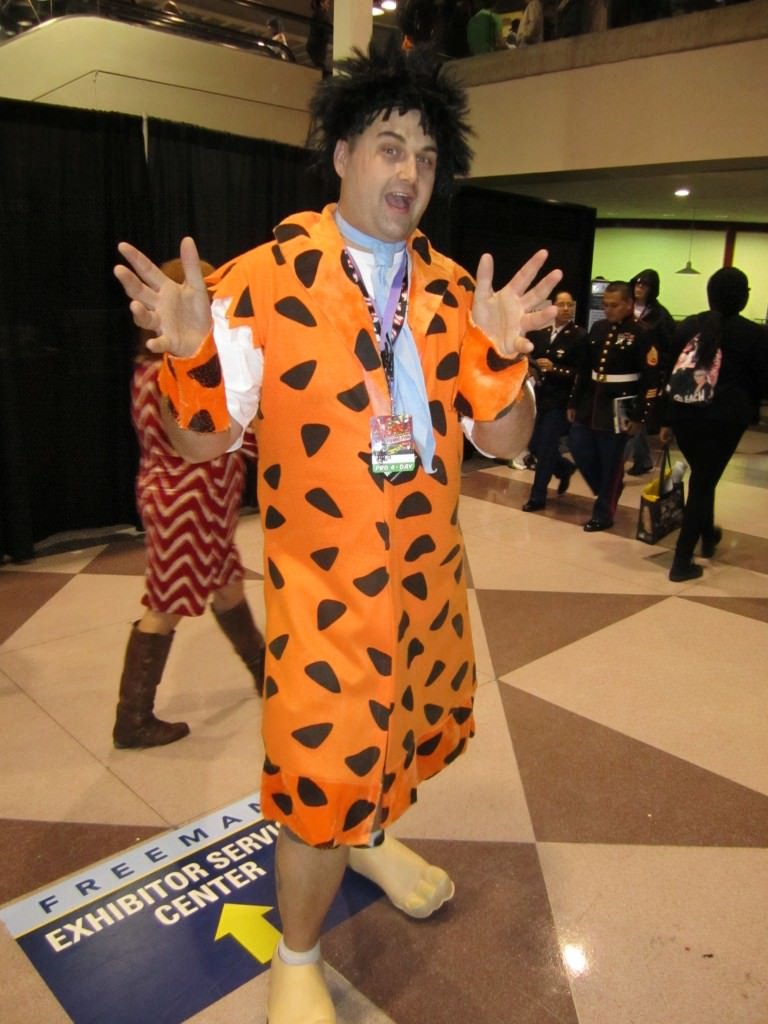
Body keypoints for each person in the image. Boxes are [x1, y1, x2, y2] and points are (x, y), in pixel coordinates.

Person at [114, 44, 562, 1024]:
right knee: (320, 774)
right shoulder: (263, 281)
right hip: (324, 603)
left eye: (429, 158)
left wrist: (506, 354)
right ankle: (300, 953)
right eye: (391, 147)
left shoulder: (450, 290)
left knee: (392, 746)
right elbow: (200, 440)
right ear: (345, 153)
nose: (410, 174)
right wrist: (192, 353)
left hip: (428, 589)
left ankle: (371, 834)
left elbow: (508, 437)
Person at [113, 258, 266, 750]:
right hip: (188, 506)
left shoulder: (152, 369)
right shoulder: (170, 375)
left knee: (226, 589)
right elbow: (213, 436)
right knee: (165, 606)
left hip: (194, 504)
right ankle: (132, 720)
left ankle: (267, 677)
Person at [660, 267, 768, 582]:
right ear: (741, 296)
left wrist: (667, 418)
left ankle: (707, 535)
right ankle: (681, 561)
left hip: (685, 414)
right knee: (704, 483)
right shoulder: (753, 334)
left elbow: (671, 371)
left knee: (704, 476)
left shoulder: (689, 326)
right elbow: (762, 383)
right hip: (725, 420)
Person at [568, 280, 660, 532]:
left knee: (611, 460)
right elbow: (584, 370)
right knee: (578, 444)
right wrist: (575, 401)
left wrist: (640, 415)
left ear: (629, 304)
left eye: (614, 305)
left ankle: (604, 512)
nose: (608, 310)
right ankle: (609, 489)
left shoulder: (642, 333)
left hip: (621, 406)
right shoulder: (597, 329)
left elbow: (652, 379)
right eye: (605, 305)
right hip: (592, 402)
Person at [522, 290, 587, 511]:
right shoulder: (542, 334)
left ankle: (537, 496)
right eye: (561, 304)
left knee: (547, 447)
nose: (566, 309)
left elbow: (580, 372)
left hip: (561, 401)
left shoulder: (579, 336)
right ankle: (564, 468)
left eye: (570, 305)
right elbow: (530, 358)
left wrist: (556, 369)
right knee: (533, 445)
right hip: (540, 398)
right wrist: (533, 369)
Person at [625, 267, 676, 475]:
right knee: (632, 415)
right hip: (625, 369)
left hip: (648, 372)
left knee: (637, 414)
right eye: (637, 283)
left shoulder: (660, 315)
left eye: (644, 285)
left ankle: (623, 462)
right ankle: (643, 458)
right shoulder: (625, 308)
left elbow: (669, 345)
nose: (639, 288)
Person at [306, 0, 332, 74]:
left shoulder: (318, 14)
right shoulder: (321, 14)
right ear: (321, 3)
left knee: (320, 66)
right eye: (327, 3)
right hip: (318, 45)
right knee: (320, 67)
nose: (329, 6)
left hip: (316, 44)